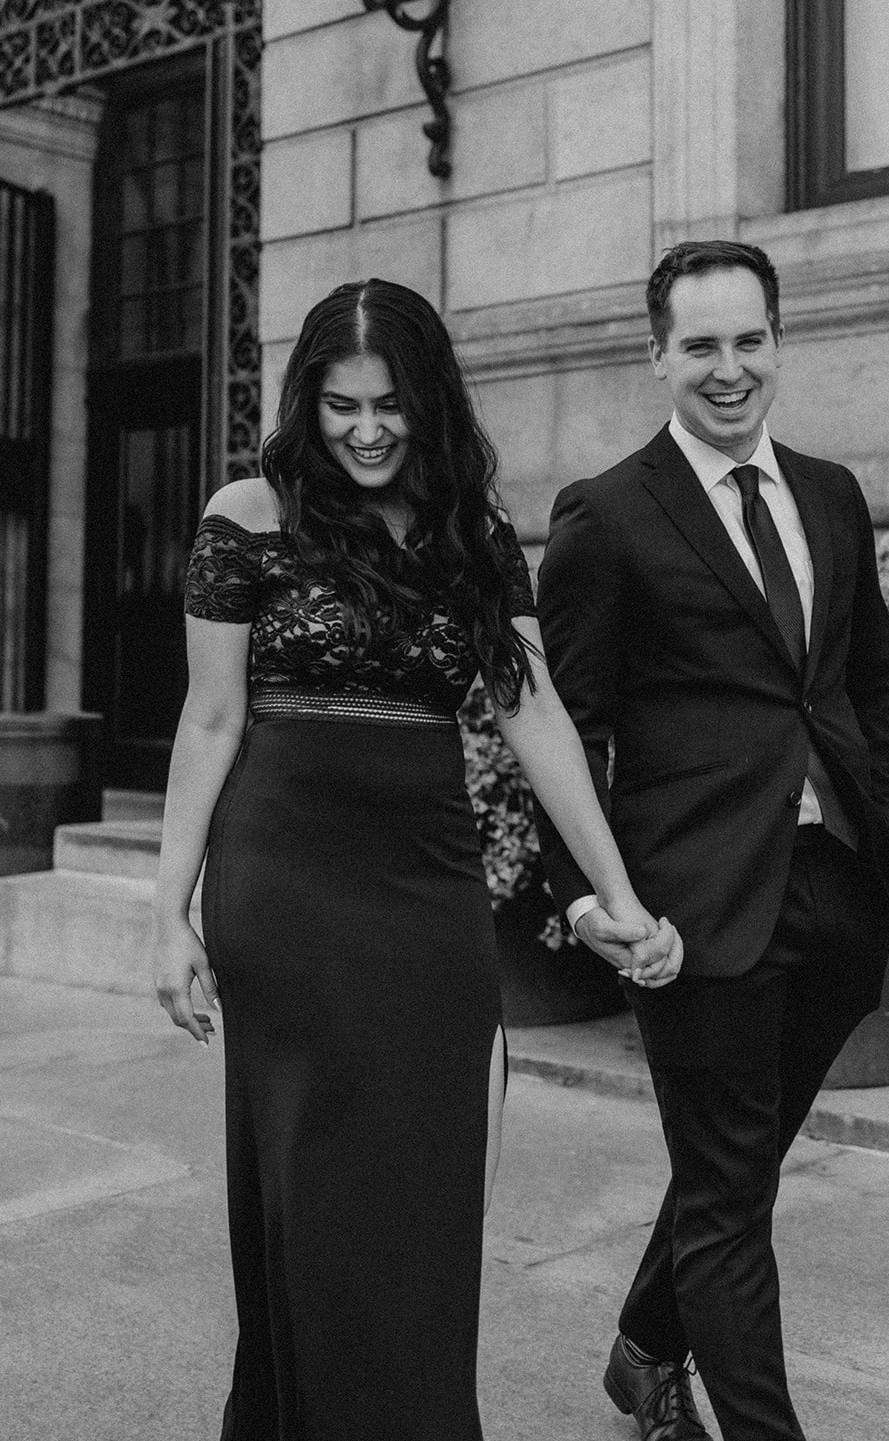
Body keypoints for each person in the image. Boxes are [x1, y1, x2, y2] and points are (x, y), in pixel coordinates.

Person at [152, 277, 682, 1441]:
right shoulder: (245, 515)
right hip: (283, 889)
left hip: (428, 893)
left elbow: (531, 709)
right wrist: (169, 910)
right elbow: (210, 718)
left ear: (427, 401)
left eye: (388, 404)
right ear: (308, 404)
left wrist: (617, 893)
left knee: (423, 1191)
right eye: (340, 406)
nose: (365, 430)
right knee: (315, 1188)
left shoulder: (471, 534)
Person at [534, 241, 889, 1441]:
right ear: (657, 355)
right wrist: (595, 902)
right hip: (692, 912)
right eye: (700, 344)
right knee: (730, 1200)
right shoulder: (606, 512)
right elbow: (563, 729)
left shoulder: (830, 493)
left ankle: (644, 1344)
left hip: (833, 891)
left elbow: (869, 682)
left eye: (748, 339)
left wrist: (883, 838)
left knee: (723, 1176)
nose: (728, 367)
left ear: (776, 342)